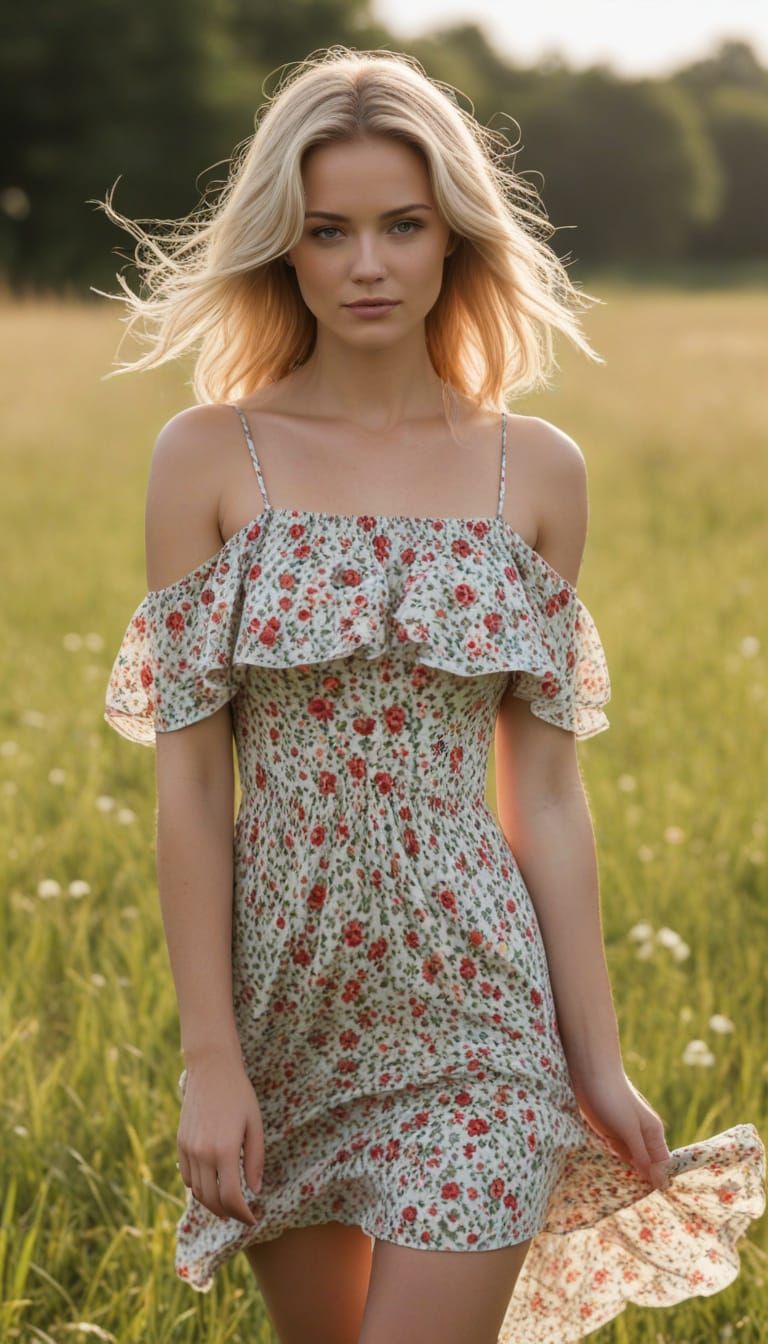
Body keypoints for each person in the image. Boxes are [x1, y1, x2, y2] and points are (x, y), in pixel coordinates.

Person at [100, 46, 765, 1344]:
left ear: (454, 241)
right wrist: (210, 1059)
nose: (366, 265)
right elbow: (188, 782)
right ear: (281, 248)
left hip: (479, 1007)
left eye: (403, 227)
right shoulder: (208, 458)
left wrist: (598, 1057)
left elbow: (551, 801)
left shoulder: (538, 472)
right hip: (281, 1009)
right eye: (328, 230)